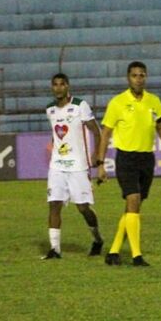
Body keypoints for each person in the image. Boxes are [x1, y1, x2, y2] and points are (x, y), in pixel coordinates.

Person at [93, 61, 161, 266]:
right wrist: (100, 163)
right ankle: (136, 255)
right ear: (128, 78)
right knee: (133, 200)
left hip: (147, 158)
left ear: (146, 77)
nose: (138, 79)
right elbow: (105, 134)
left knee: (134, 206)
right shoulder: (118, 102)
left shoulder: (154, 101)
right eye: (134, 75)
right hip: (126, 158)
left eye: (142, 75)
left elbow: (160, 126)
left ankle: (113, 252)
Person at [43, 73, 104, 260]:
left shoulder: (80, 106)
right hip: (57, 166)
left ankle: (97, 239)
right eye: (55, 85)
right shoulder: (50, 110)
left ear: (67, 86)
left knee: (83, 208)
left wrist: (96, 156)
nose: (58, 88)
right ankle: (55, 249)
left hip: (78, 166)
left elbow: (97, 132)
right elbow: (56, 134)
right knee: (54, 204)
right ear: (52, 87)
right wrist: (54, 147)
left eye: (62, 84)